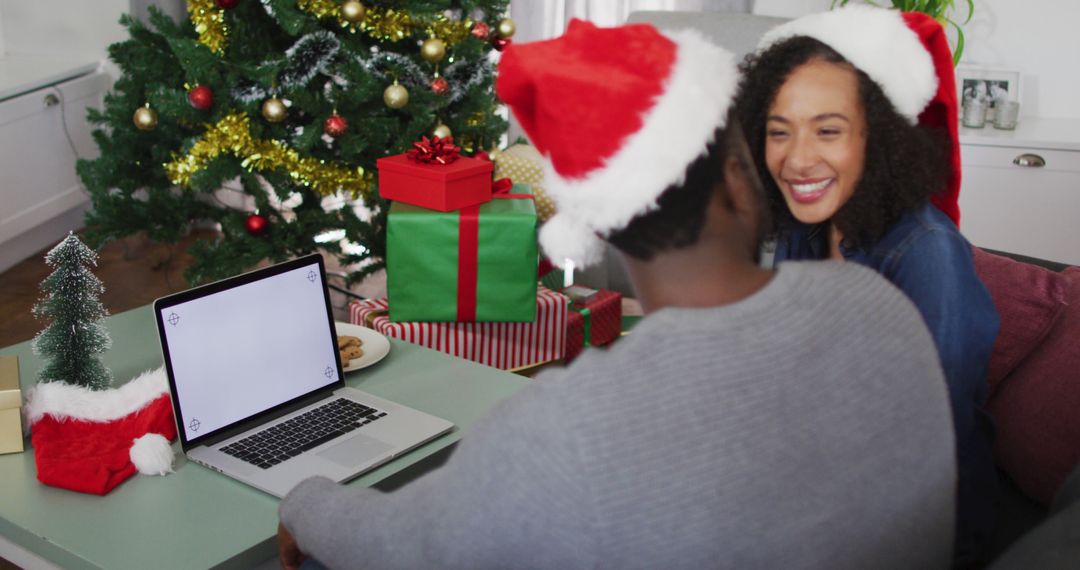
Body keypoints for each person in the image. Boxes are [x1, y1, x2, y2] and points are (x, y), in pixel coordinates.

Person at [278, 19, 957, 569]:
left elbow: (401, 547)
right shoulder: (878, 305)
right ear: (737, 177)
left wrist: (303, 502)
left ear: (599, 228)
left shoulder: (565, 431)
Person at [733, 6, 1000, 567]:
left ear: (877, 139)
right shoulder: (806, 229)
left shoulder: (926, 254)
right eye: (779, 133)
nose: (798, 160)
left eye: (828, 131)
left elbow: (927, 449)